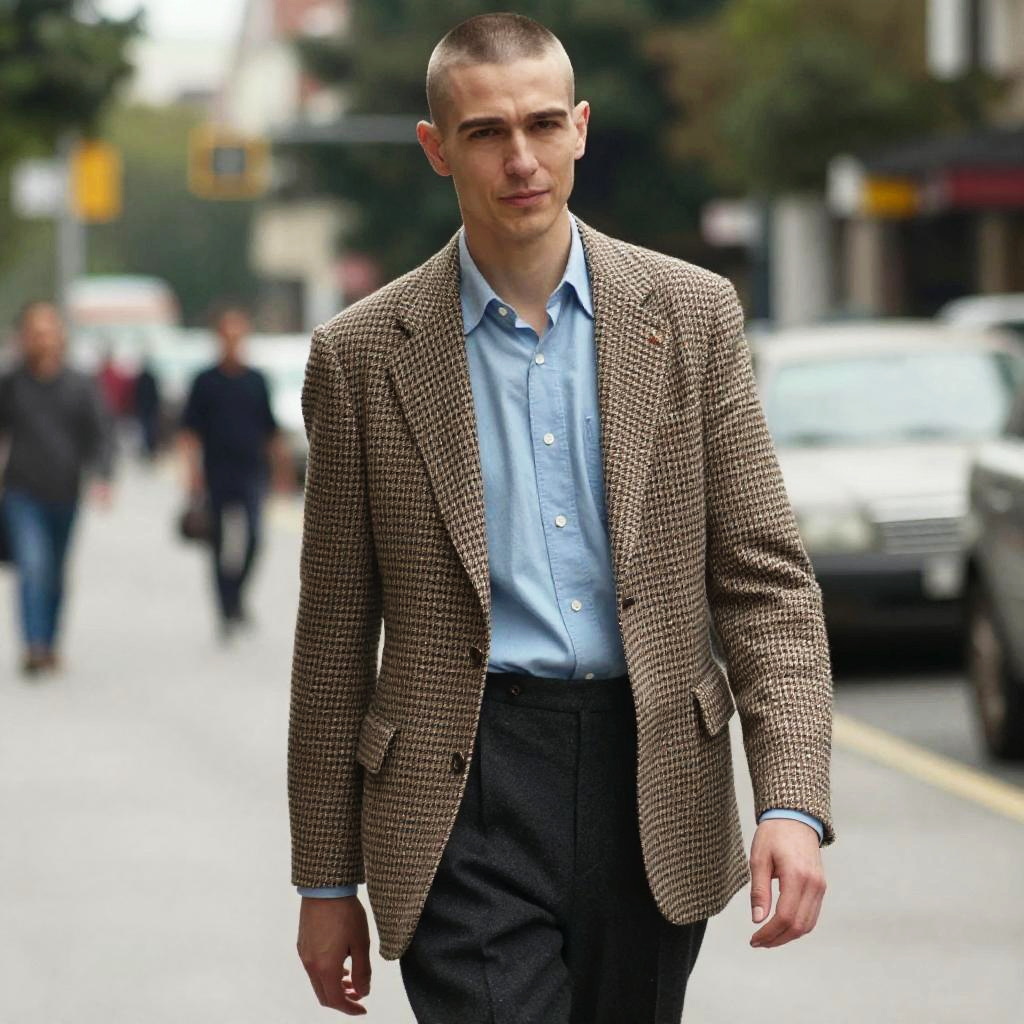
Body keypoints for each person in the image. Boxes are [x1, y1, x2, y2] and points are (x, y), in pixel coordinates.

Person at [289, 13, 834, 1023]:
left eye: (544, 124)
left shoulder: (691, 314)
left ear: (580, 127)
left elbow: (765, 584)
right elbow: (333, 636)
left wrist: (790, 800)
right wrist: (326, 882)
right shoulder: (362, 356)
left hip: (653, 771)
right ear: (435, 146)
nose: (522, 158)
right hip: (463, 788)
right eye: (487, 132)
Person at [0, 301, 113, 675]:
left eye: (49, 330)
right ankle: (34, 646)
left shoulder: (79, 384)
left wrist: (103, 476)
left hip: (65, 492)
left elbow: (100, 435)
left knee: (55, 572)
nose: (42, 339)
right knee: (32, 566)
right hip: (21, 491)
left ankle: (49, 641)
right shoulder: (12, 382)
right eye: (35, 331)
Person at [179, 304, 293, 638]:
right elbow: (189, 433)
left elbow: (271, 430)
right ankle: (225, 607)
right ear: (217, 338)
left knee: (255, 538)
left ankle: (237, 593)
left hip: (250, 471)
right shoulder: (205, 381)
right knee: (217, 542)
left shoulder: (257, 381)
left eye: (237, 334)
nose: (232, 341)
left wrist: (281, 469)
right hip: (216, 472)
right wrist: (191, 472)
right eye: (226, 334)